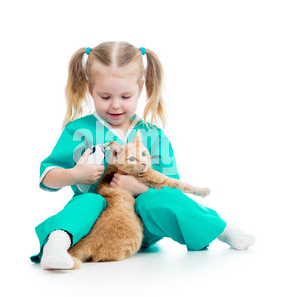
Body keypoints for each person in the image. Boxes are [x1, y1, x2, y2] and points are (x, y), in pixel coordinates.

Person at [31, 41, 255, 270]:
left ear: (140, 88)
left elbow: (171, 187)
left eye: (126, 96)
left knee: (156, 199)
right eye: (105, 97)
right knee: (89, 201)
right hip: (95, 226)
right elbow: (47, 176)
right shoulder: (79, 131)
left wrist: (138, 188)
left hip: (143, 226)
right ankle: (56, 245)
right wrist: (74, 175)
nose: (116, 105)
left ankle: (221, 229)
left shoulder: (152, 135)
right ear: (90, 89)